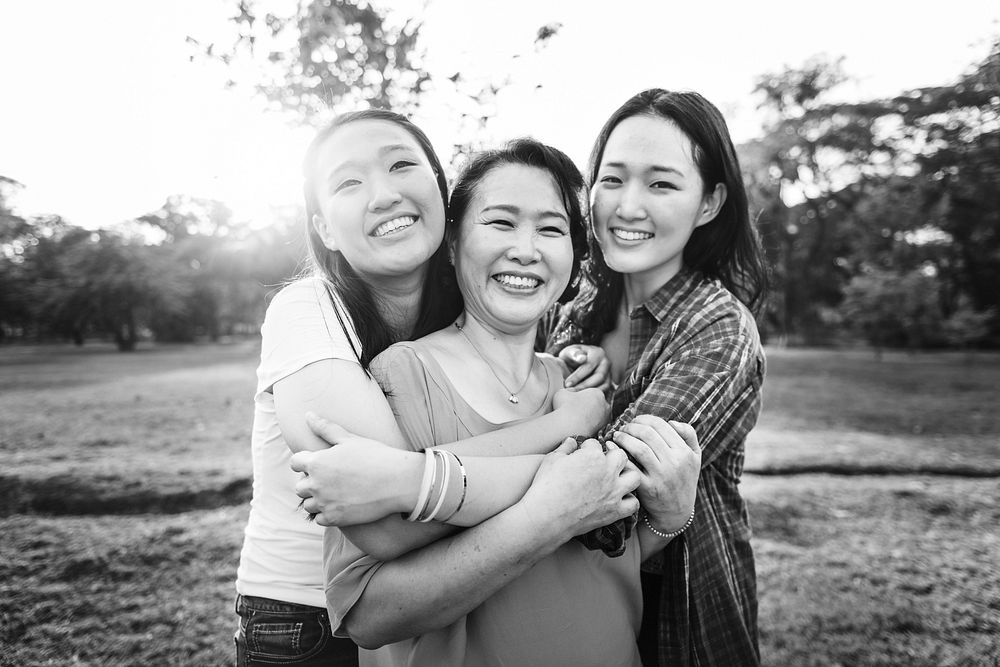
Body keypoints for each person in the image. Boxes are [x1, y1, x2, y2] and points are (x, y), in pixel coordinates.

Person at [233, 110, 622, 666]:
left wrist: (574, 363)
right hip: (301, 620)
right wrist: (572, 435)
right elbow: (388, 521)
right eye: (349, 181)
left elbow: (406, 485)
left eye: (401, 164)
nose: (384, 193)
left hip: (429, 606)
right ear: (323, 228)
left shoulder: (461, 315)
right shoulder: (309, 311)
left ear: (442, 195)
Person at [301, 138, 701, 666]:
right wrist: (546, 511)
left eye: (551, 229)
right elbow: (367, 614)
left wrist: (669, 519)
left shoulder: (581, 385)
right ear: (452, 243)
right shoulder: (400, 375)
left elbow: (598, 555)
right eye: (501, 223)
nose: (527, 250)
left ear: (575, 257)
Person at [546, 89, 769, 666]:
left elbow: (602, 495)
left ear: (710, 202)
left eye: (662, 184)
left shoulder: (718, 329)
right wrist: (555, 371)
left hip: (675, 617)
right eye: (612, 179)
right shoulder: (571, 310)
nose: (627, 206)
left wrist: (582, 410)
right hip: (559, 613)